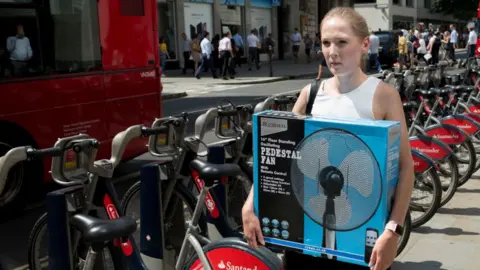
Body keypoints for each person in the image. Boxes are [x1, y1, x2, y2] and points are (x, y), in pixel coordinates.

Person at [242, 7, 414, 270]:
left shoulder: (383, 96)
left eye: (342, 42)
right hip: (305, 243)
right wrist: (250, 205)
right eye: (326, 42)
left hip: (360, 246)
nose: (332, 52)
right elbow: (276, 156)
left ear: (364, 44)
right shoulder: (309, 95)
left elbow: (405, 166)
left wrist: (393, 229)